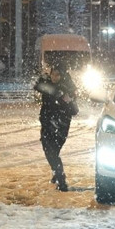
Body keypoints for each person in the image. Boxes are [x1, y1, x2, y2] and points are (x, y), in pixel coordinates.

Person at [34, 63, 79, 192]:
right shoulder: (47, 83)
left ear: (62, 75)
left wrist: (65, 97)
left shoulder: (68, 87)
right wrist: (55, 91)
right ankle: (58, 174)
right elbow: (38, 86)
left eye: (58, 74)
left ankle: (60, 177)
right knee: (48, 150)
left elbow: (72, 106)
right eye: (53, 74)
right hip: (47, 122)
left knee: (54, 151)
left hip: (61, 124)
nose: (54, 77)